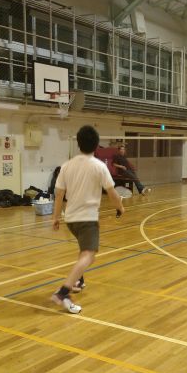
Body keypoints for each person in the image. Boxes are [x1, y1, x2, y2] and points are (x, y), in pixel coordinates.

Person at [51, 125, 124, 314]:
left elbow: (59, 194)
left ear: (79, 143)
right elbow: (112, 193)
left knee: (84, 251)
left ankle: (78, 280)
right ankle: (63, 292)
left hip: (71, 220)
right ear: (96, 145)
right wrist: (120, 207)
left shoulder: (67, 166)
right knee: (89, 255)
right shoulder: (99, 167)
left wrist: (56, 217)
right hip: (87, 220)